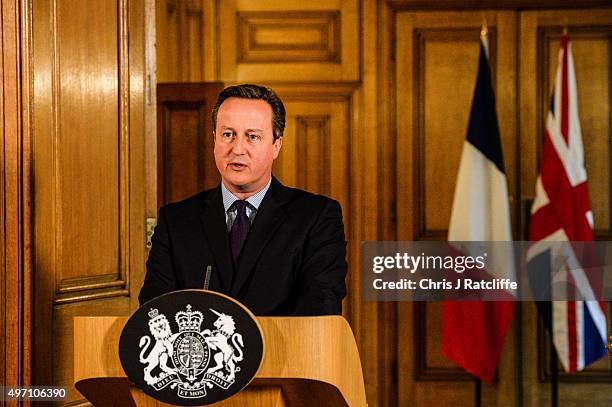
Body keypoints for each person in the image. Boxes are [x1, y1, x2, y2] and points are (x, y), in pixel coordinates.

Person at [139, 84, 347, 315]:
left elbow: (321, 310)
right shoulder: (175, 220)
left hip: (282, 349)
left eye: (252, 137)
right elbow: (154, 312)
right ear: (214, 140)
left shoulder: (316, 217)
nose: (238, 149)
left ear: (276, 145)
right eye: (228, 135)